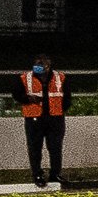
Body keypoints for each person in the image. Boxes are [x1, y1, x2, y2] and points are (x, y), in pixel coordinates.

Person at [17, 55, 70, 186]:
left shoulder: (60, 77)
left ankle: (55, 174)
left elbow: (67, 96)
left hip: (55, 118)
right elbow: (16, 94)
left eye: (42, 65)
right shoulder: (25, 78)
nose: (38, 68)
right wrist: (27, 99)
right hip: (34, 118)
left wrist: (61, 110)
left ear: (48, 66)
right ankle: (37, 175)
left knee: (55, 148)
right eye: (37, 65)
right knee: (35, 148)